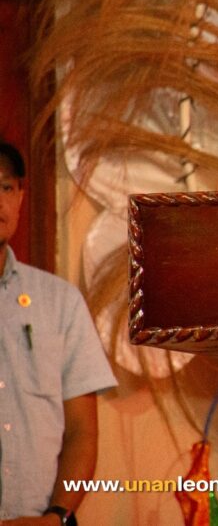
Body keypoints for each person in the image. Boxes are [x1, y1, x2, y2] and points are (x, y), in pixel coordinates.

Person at [0, 142, 117, 526]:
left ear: (21, 196)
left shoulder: (60, 302)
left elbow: (82, 431)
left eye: (6, 187)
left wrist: (56, 517)